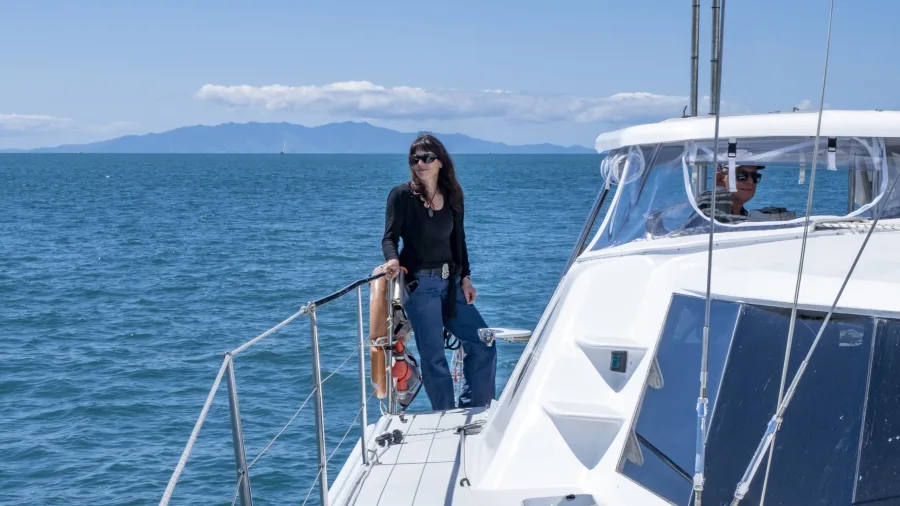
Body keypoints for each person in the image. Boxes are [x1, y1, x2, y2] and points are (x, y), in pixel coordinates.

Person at [380, 133, 496, 411]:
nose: (420, 163)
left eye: (427, 158)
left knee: (483, 343)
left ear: (441, 162)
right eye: (415, 159)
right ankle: (446, 416)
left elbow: (459, 242)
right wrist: (392, 260)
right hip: (421, 286)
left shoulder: (454, 196)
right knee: (434, 359)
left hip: (452, 285)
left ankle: (474, 409)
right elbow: (389, 237)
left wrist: (465, 278)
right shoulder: (401, 196)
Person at [695, 163, 795, 223]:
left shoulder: (740, 215)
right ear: (720, 179)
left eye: (755, 176)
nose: (750, 181)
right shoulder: (710, 206)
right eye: (741, 175)